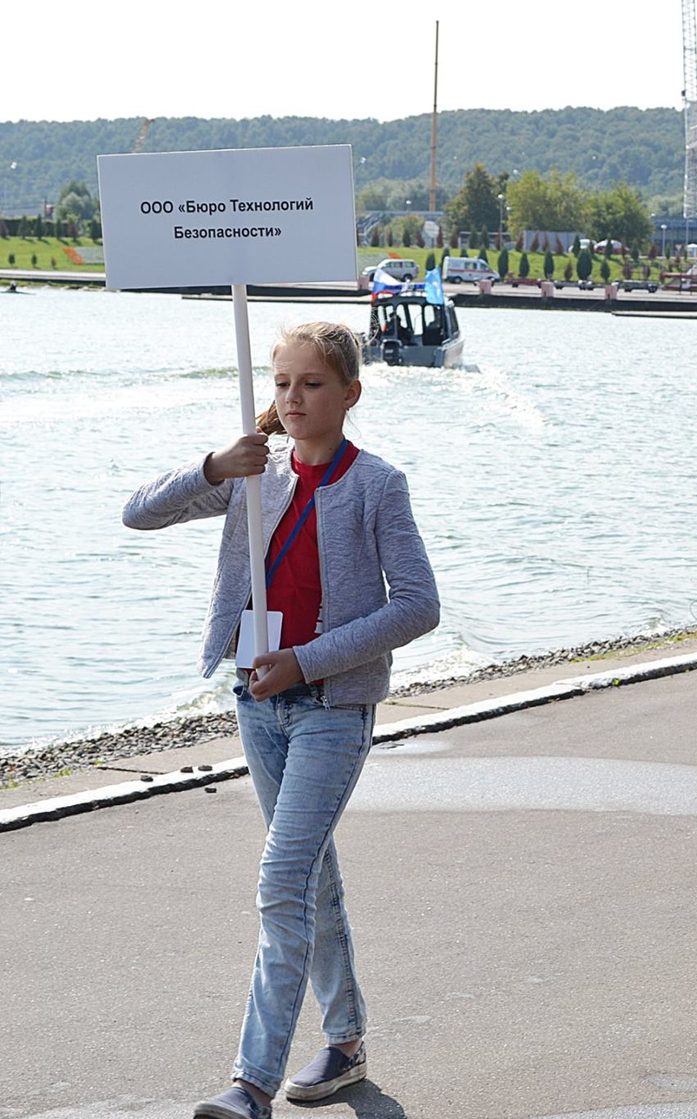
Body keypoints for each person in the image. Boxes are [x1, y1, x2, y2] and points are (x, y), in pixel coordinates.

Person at [122, 322, 440, 1119]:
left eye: (312, 384)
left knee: (279, 880)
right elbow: (138, 514)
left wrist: (309, 660)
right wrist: (210, 466)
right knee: (309, 876)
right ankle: (347, 1041)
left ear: (350, 394)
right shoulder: (252, 475)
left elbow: (418, 605)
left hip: (332, 707)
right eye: (283, 383)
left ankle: (251, 1083)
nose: (293, 399)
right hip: (256, 704)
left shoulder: (377, 485)